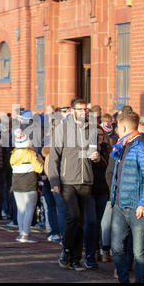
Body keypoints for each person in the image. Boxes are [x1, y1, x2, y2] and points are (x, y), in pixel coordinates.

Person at [105, 111, 144, 283]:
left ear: (124, 127)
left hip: (137, 207)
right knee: (117, 248)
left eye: (118, 128)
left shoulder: (142, 148)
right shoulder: (123, 146)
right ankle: (123, 280)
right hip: (120, 205)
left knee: (138, 251)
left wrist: (143, 203)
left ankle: (140, 280)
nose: (117, 131)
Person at [48, 98, 100, 272]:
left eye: (86, 109)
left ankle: (76, 259)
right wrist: (54, 181)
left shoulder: (91, 129)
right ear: (72, 110)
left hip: (86, 180)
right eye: (80, 109)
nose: (84, 112)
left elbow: (94, 153)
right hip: (67, 180)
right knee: (73, 217)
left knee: (81, 221)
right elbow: (54, 157)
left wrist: (96, 157)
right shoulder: (62, 130)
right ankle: (66, 250)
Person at [83, 126, 112, 269]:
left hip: (102, 191)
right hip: (88, 190)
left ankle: (95, 249)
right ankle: (89, 255)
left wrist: (100, 156)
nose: (99, 137)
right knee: (91, 222)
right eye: (96, 135)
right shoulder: (84, 149)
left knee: (98, 222)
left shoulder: (107, 149)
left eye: (101, 135)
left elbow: (109, 167)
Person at [10, 129, 44, 242]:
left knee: (21, 210)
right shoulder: (31, 154)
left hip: (16, 184)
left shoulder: (13, 154)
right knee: (29, 209)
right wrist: (41, 160)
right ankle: (25, 234)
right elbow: (39, 169)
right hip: (29, 183)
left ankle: (21, 233)